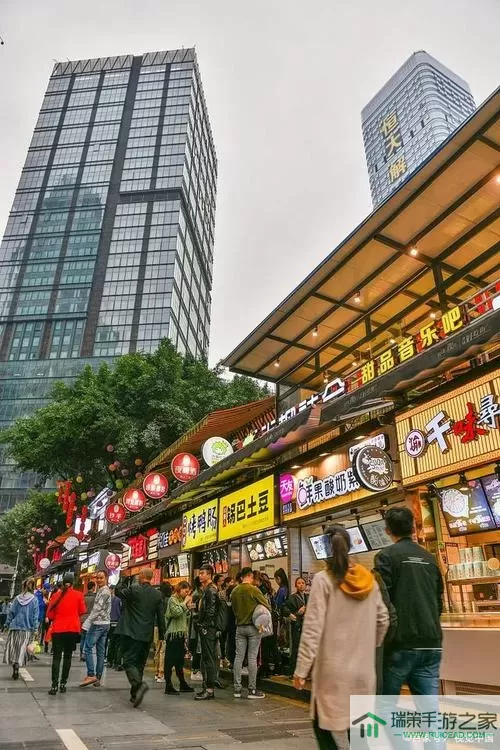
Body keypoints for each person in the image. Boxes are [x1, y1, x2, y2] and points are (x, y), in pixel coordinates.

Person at [294, 524, 389, 750]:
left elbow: (312, 629)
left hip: (332, 673)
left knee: (322, 725)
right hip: (364, 673)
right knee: (361, 734)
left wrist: (301, 670)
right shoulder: (369, 581)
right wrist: (368, 646)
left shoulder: (323, 580)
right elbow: (383, 619)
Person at [374, 506, 444, 696]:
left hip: (400, 643)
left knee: (385, 708)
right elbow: (439, 601)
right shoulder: (430, 558)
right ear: (413, 527)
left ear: (387, 530)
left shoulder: (385, 557)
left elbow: (382, 603)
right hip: (431, 642)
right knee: (429, 711)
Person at [115, 568, 165, 708]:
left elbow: (119, 592)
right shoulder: (157, 594)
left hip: (131, 632)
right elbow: (161, 616)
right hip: (146, 634)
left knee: (129, 661)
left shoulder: (134, 590)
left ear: (141, 576)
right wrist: (162, 635)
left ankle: (138, 684)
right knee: (140, 665)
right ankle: (134, 694)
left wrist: (123, 579)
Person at [231, 567, 270, 699]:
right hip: (254, 628)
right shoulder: (254, 590)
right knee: (252, 657)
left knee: (238, 657)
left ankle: (237, 689)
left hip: (239, 627)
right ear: (250, 576)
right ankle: (252, 690)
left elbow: (233, 609)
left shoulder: (234, 591)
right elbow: (266, 606)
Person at [46, 572, 86, 695]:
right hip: (72, 630)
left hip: (58, 630)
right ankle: (63, 683)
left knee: (56, 657)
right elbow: (82, 611)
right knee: (68, 657)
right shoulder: (79, 595)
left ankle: (54, 685)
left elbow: (50, 615)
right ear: (73, 583)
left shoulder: (56, 595)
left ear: (63, 582)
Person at [3, 578, 39, 680]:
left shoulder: (17, 599)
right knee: (22, 649)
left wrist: (6, 624)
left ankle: (14, 665)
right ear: (33, 587)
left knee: (14, 648)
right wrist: (35, 629)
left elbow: (11, 613)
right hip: (27, 629)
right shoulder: (34, 600)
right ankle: (18, 665)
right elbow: (35, 616)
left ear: (23, 586)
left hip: (15, 628)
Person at [81, 570, 111, 688]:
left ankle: (91, 674)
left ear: (106, 578)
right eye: (97, 578)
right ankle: (97, 678)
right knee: (100, 652)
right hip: (105, 624)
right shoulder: (102, 590)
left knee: (87, 648)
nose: (99, 580)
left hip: (98, 623)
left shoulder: (104, 592)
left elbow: (97, 609)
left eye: (101, 578)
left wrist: (87, 623)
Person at [163, 581, 194, 694]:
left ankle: (182, 683)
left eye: (188, 592)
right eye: (185, 591)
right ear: (180, 589)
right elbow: (176, 613)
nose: (187, 594)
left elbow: (184, 616)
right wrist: (185, 603)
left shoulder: (181, 600)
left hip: (180, 634)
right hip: (173, 634)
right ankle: (168, 685)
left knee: (179, 661)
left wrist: (188, 608)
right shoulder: (172, 599)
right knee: (170, 660)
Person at [195, 564, 219, 701]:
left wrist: (203, 625)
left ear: (209, 575)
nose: (200, 575)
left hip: (208, 628)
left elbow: (211, 611)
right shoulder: (207, 590)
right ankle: (207, 687)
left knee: (209, 658)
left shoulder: (211, 590)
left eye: (203, 573)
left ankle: (209, 690)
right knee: (206, 658)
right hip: (206, 627)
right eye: (200, 573)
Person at [283, 577, 308, 678]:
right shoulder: (293, 597)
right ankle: (293, 671)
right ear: (296, 585)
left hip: (306, 626)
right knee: (296, 648)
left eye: (303, 583)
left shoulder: (307, 597)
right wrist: (290, 614)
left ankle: (304, 671)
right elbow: (284, 607)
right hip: (297, 626)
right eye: (299, 583)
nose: (301, 585)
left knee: (305, 649)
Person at [154, 583, 172, 682]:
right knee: (163, 651)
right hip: (164, 626)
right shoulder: (168, 600)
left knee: (157, 649)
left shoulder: (157, 599)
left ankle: (157, 673)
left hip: (155, 626)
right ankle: (161, 673)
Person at [188, 576, 203, 682]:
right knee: (197, 647)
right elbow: (192, 611)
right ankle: (195, 670)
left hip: (196, 624)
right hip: (196, 624)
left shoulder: (198, 593)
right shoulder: (196, 594)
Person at [106, 585, 123, 669]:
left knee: (111, 643)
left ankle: (109, 661)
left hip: (110, 622)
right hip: (118, 623)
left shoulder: (111, 600)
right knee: (118, 644)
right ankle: (117, 662)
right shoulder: (120, 601)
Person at [80, 581, 96, 661]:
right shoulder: (95, 597)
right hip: (90, 619)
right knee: (88, 637)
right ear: (93, 587)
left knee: (82, 638)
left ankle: (81, 654)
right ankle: (85, 654)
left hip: (82, 618)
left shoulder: (83, 596)